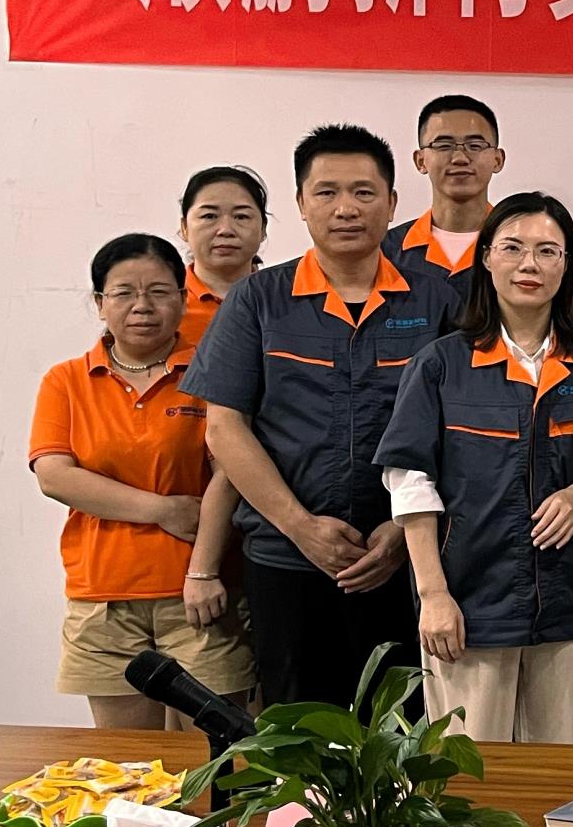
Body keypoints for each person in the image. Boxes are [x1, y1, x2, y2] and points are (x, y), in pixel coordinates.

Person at [186, 124, 457, 706]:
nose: (346, 208)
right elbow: (225, 429)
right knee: (297, 728)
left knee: (403, 730)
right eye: (327, 192)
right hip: (285, 559)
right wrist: (300, 527)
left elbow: (460, 429)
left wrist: (402, 531)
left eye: (363, 192)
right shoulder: (258, 300)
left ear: (392, 202)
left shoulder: (440, 299)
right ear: (301, 203)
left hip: (406, 561)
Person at [377, 194, 573, 743]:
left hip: (571, 607)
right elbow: (410, 482)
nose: (530, 264)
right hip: (468, 606)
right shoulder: (441, 363)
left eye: (547, 251)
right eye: (513, 248)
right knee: (465, 773)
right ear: (486, 257)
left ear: (567, 265)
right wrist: (433, 596)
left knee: (559, 766)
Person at [29, 235, 252, 727]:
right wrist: (164, 510)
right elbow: (56, 476)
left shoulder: (213, 373)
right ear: (99, 303)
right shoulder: (65, 381)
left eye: (159, 291)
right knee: (125, 759)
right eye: (124, 292)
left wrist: (203, 571)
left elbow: (232, 472)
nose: (142, 306)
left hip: (201, 594)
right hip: (103, 598)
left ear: (183, 299)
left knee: (217, 754)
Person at [384, 94, 505, 298]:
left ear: (497, 159)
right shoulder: (385, 252)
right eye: (443, 146)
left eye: (475, 145)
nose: (460, 158)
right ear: (420, 161)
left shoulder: (520, 249)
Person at [176, 165, 270, 351]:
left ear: (263, 229)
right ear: (185, 228)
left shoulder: (284, 300)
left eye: (241, 217)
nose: (226, 230)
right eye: (209, 216)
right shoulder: (167, 306)